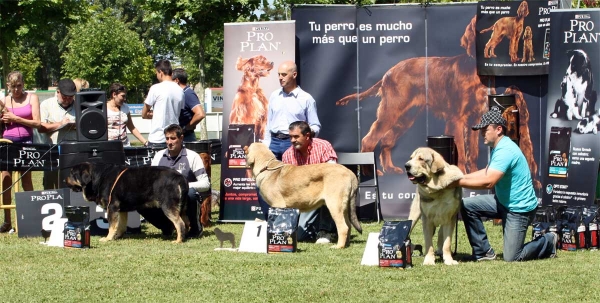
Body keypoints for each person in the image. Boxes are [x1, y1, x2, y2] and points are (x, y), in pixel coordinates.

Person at [457, 107, 557, 262]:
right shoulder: (499, 147)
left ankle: (548, 241)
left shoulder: (505, 150)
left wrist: (457, 182)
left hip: (519, 210)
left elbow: (489, 181)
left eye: (485, 129)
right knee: (467, 205)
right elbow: (487, 172)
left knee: (512, 257)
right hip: (503, 202)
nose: (482, 133)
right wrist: (459, 178)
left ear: (498, 129)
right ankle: (483, 252)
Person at [257, 61, 321, 219]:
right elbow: (269, 122)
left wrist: (304, 135)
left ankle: (291, 222)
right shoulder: (274, 96)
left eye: (284, 74)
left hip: (293, 144)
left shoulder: (306, 99)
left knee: (291, 184)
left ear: (294, 74)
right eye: (278, 74)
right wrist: (266, 145)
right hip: (273, 142)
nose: (280, 77)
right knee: (263, 182)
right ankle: (271, 221)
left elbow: (315, 125)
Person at [282, 121, 338, 244]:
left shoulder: (323, 146)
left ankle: (326, 231)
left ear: (307, 136)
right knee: (301, 237)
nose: (292, 140)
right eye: (290, 137)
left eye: (296, 136)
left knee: (329, 191)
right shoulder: (287, 155)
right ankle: (314, 229)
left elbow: (332, 172)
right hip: (304, 197)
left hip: (324, 189)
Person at [151, 124, 210, 238]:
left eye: (173, 138)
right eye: (167, 138)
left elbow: (205, 184)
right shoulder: (159, 156)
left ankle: (195, 228)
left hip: (184, 197)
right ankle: (167, 227)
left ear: (181, 138)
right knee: (139, 200)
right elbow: (150, 182)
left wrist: (181, 186)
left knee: (192, 194)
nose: (169, 142)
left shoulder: (192, 156)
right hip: (162, 197)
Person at [0, 71, 41, 233]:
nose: (16, 90)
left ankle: (31, 218)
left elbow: (37, 123)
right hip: (7, 142)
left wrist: (16, 119)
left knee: (27, 180)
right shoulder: (4, 101)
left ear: (24, 84)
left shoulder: (32, 98)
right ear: (8, 86)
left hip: (26, 143)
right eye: (13, 87)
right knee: (6, 180)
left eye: (19, 86)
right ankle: (7, 220)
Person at [39, 78, 78, 189]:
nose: (67, 100)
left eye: (70, 97)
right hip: (52, 150)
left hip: (73, 152)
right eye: (64, 97)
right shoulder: (46, 104)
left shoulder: (79, 106)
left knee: (71, 184)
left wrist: (75, 125)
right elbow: (41, 127)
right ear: (58, 92)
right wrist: (60, 124)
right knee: (50, 184)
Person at [142, 60, 184, 146]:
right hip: (174, 137)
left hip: (158, 138)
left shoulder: (155, 88)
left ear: (160, 72)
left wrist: (154, 114)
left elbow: (144, 114)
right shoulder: (180, 90)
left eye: (156, 73)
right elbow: (179, 112)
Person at [172, 68, 206, 142]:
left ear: (176, 80)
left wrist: (185, 128)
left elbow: (200, 114)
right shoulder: (181, 93)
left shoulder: (187, 93)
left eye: (171, 81)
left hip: (186, 138)